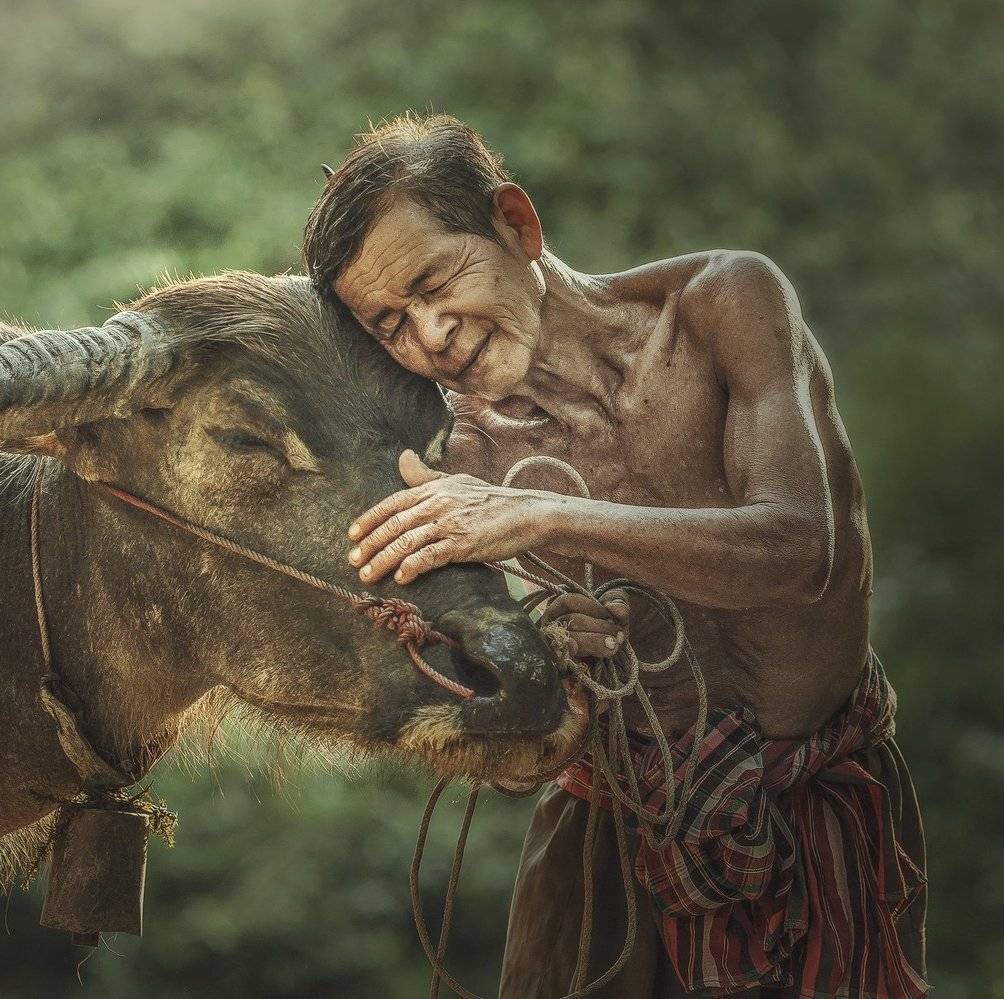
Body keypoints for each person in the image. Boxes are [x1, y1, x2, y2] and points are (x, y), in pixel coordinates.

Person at [303, 114, 928, 998]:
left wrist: (540, 514)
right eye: (390, 322)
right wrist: (547, 651)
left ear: (516, 224)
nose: (430, 334)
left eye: (435, 282)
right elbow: (495, 732)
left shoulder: (721, 306)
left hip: (826, 806)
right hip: (617, 842)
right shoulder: (461, 459)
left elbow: (799, 551)